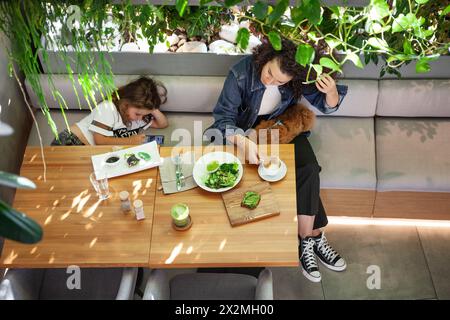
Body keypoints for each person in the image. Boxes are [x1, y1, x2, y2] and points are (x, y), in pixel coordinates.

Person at [206, 39, 348, 283]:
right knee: (246, 184)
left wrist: (332, 92)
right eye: (269, 73)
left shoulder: (297, 78)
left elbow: (329, 106)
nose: (270, 81)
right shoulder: (240, 73)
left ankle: (305, 241)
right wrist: (243, 141)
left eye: (279, 81)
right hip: (243, 134)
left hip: (280, 129)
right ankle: (315, 235)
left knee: (309, 168)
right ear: (265, 57)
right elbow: (222, 120)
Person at [51, 76, 168, 146]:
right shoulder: (109, 108)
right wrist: (131, 140)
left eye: (144, 115)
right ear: (126, 103)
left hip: (90, 151)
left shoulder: (138, 119)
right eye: (137, 113)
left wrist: (152, 108)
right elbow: (99, 140)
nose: (139, 118)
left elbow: (162, 124)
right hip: (72, 141)